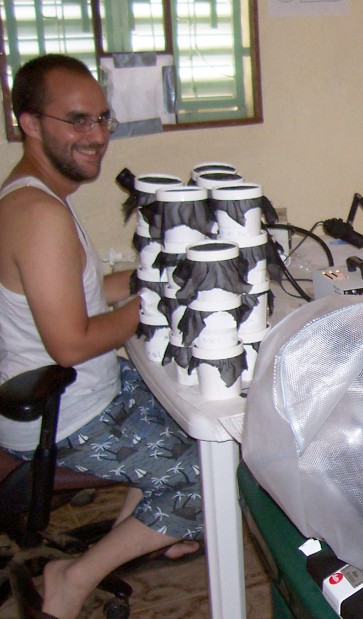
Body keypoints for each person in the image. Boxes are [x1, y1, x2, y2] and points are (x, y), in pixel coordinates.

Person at [0, 54, 202, 619]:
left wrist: (155, 273)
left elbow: (81, 291)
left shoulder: (32, 195)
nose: (95, 136)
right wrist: (155, 304)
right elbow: (71, 342)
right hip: (65, 415)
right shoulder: (40, 215)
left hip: (69, 397)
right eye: (77, 121)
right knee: (218, 472)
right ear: (30, 123)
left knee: (184, 410)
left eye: (101, 119)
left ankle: (141, 533)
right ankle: (75, 577)